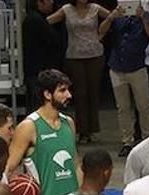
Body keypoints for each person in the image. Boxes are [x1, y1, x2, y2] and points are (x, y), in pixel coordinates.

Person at [48, 0, 109, 144]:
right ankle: (82, 131)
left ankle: (93, 129)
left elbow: (112, 16)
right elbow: (48, 21)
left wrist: (102, 33)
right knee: (80, 94)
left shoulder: (95, 8)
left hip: (95, 55)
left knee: (93, 92)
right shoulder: (67, 9)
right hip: (75, 56)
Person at [99, 3, 149, 157]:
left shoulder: (147, 15)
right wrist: (110, 18)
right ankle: (127, 141)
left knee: (143, 106)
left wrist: (143, 17)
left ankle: (148, 139)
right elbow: (101, 32)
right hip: (117, 68)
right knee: (123, 107)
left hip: (137, 67)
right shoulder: (117, 17)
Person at [22, 0, 63, 113]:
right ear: (39, 2)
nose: (52, 2)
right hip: (38, 72)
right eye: (48, 0)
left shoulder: (36, 18)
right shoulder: (35, 20)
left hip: (36, 70)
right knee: (39, 107)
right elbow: (54, 40)